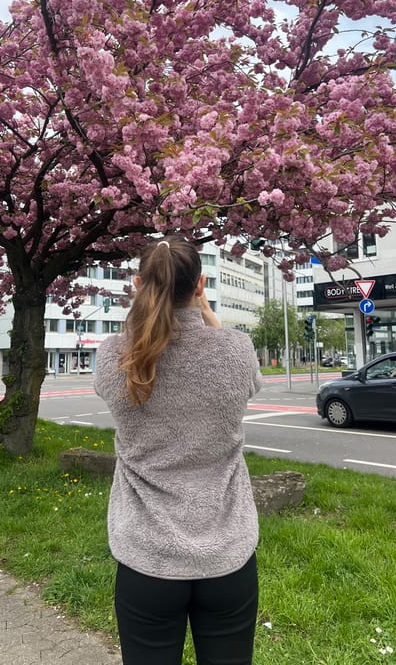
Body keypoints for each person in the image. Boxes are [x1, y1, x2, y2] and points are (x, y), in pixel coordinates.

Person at [94, 236, 262, 665]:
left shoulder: (115, 356)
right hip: (228, 556)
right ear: (200, 285)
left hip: (146, 558)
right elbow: (244, 375)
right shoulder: (236, 350)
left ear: (138, 284)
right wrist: (206, 315)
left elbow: (148, 344)